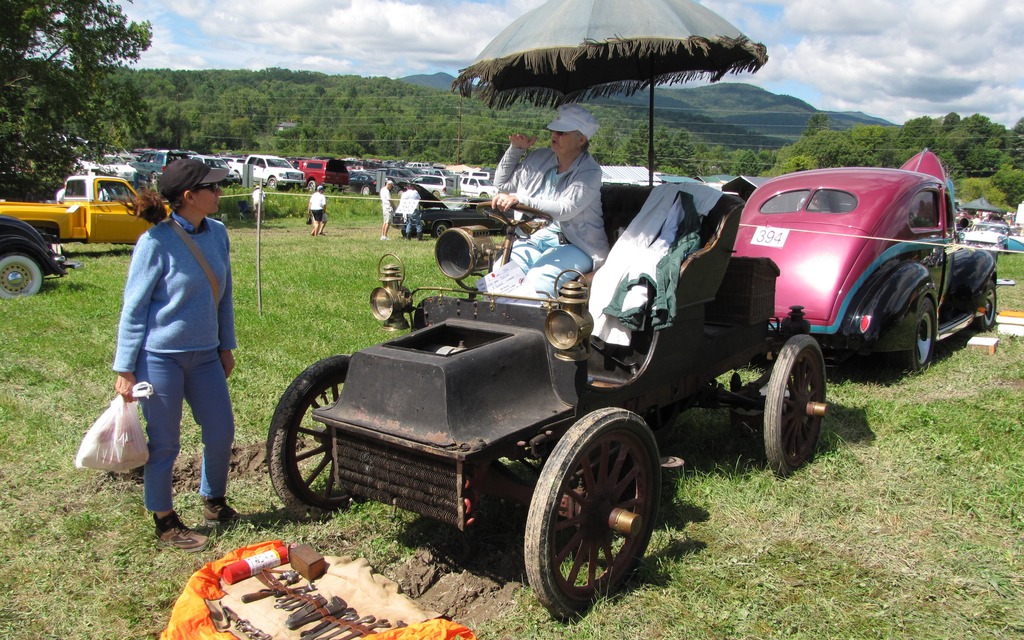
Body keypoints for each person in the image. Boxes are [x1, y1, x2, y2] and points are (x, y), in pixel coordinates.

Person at [113, 158, 240, 552]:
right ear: (189, 197)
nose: (219, 192)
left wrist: (225, 345)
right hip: (159, 358)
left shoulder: (218, 234)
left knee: (221, 431)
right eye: (213, 188)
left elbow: (225, 295)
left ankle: (213, 501)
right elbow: (134, 309)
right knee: (164, 442)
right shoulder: (155, 242)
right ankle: (164, 519)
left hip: (205, 357)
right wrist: (125, 368)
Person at [491, 104, 607, 297]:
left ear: (581, 139)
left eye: (562, 132)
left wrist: (519, 199)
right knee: (502, 274)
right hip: (531, 239)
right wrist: (516, 149)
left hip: (574, 244)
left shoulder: (590, 171)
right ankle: (498, 320)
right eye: (554, 130)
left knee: (540, 278)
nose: (554, 134)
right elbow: (502, 184)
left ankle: (540, 324)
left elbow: (566, 209)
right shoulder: (539, 157)